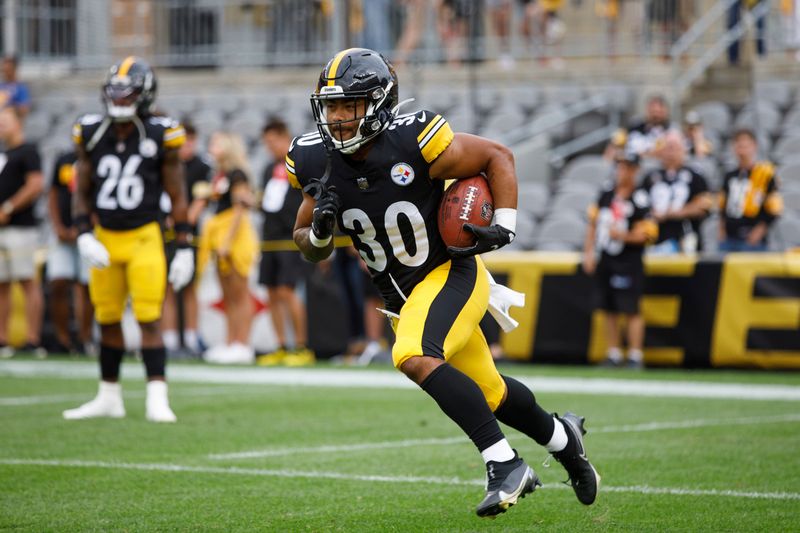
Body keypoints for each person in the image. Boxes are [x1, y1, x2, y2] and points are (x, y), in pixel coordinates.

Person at [289, 48, 599, 518]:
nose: (338, 118)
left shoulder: (414, 140)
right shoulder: (315, 158)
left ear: (378, 103)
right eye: (331, 107)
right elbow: (308, 243)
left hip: (450, 272)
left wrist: (507, 224)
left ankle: (504, 463)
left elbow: (497, 154)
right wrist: (318, 232)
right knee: (490, 393)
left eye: (349, 106)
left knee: (412, 355)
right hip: (403, 297)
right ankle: (563, 438)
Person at [63, 57, 194, 423]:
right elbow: (82, 187)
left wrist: (184, 245)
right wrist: (83, 232)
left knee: (148, 317)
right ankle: (109, 396)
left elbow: (177, 192)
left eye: (128, 94)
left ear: (145, 95)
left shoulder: (160, 133)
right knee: (106, 317)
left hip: (144, 238)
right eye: (115, 94)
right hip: (105, 236)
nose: (119, 101)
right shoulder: (90, 131)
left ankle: (157, 395)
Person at [583, 153, 658, 369]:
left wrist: (624, 236)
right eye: (621, 167)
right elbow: (593, 224)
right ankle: (613, 352)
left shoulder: (640, 198)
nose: (623, 171)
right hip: (606, 256)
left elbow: (649, 233)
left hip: (629, 260)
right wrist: (589, 253)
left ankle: (635, 354)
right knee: (609, 307)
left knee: (631, 307)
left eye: (628, 168)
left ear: (635, 171)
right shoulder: (606, 194)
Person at [196, 131, 258, 364]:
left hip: (234, 234)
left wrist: (227, 241)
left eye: (216, 143)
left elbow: (239, 209)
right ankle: (230, 341)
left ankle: (242, 343)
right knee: (227, 295)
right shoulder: (219, 175)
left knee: (240, 294)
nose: (212, 146)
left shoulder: (237, 174)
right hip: (219, 232)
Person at [256, 119, 313, 366]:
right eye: (266, 143)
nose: (270, 147)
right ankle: (281, 344)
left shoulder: (300, 163)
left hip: (290, 238)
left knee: (288, 291)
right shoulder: (268, 168)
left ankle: (301, 346)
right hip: (269, 238)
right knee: (271, 291)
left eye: (272, 141)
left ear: (284, 136)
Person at [161, 121, 211, 357]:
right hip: (164, 233)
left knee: (190, 286)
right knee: (167, 286)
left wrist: (181, 222)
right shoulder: (166, 163)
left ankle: (191, 337)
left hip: (189, 235)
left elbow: (200, 202)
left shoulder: (200, 166)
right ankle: (169, 339)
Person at [0, 107, 45, 358]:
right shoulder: (4, 153)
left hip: (20, 226)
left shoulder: (28, 151)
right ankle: (3, 339)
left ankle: (32, 339)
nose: (1, 126)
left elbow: (35, 184)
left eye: (5, 121)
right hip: (2, 228)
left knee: (27, 281)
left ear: (18, 122)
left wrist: (8, 207)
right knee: (2, 285)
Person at [46, 150, 94, 355]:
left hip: (90, 235)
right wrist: (58, 227)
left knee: (87, 287)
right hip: (63, 234)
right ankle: (63, 340)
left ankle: (85, 339)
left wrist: (85, 228)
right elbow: (54, 193)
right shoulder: (63, 159)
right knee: (58, 282)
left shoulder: (100, 157)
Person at [641, 130, 712, 254]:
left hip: (687, 240)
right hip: (655, 242)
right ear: (661, 150)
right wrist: (652, 214)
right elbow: (639, 205)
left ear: (683, 150)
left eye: (674, 147)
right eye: (668, 147)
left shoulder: (696, 176)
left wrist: (672, 213)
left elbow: (704, 206)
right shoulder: (650, 177)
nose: (671, 152)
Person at [719, 128, 783, 252]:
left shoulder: (765, 175)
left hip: (752, 240)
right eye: (739, 146)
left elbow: (774, 210)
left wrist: (758, 232)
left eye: (745, 146)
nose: (742, 150)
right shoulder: (729, 176)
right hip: (729, 238)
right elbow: (722, 207)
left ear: (754, 146)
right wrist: (721, 232)